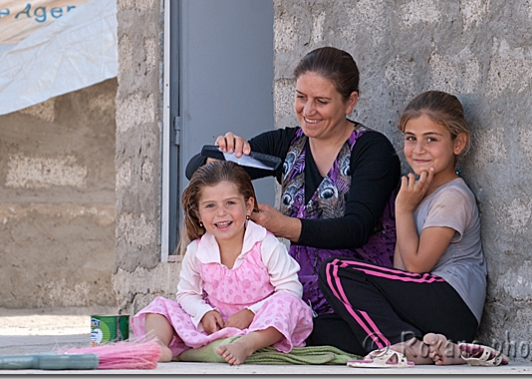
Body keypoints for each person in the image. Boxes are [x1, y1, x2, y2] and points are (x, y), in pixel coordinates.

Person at [185, 47, 401, 322]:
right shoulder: (287, 145)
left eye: (321, 101)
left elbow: (356, 229)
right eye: (301, 97)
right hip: (299, 297)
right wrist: (219, 153)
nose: (308, 110)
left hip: (357, 297)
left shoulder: (372, 150)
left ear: (350, 102)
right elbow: (197, 174)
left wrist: (283, 226)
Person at [315, 90, 491, 365]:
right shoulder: (418, 191)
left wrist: (403, 208)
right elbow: (401, 270)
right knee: (320, 329)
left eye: (431, 139)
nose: (418, 150)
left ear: (458, 143)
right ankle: (433, 348)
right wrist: (406, 206)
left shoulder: (453, 196)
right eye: (411, 139)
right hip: (426, 309)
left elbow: (417, 266)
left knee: (335, 270)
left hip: (452, 303)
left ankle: (407, 349)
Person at [131, 161, 313, 365]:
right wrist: (204, 312)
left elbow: (291, 289)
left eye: (230, 203)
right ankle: (157, 347)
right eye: (210, 206)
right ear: (199, 214)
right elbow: (187, 293)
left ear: (249, 205)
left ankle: (246, 345)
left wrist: (250, 313)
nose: (221, 213)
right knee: (159, 307)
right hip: (218, 325)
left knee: (289, 303)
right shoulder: (197, 251)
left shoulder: (264, 244)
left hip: (261, 325)